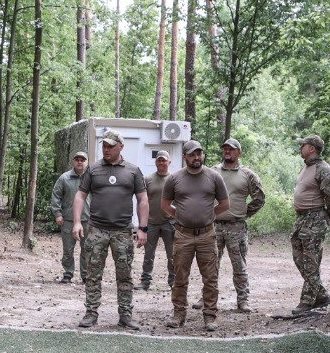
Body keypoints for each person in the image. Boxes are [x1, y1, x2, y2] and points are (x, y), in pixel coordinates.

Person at [73, 129, 148, 329]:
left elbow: (142, 199)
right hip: (97, 230)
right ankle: (91, 313)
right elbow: (80, 196)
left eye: (110, 146)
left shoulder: (133, 171)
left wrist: (143, 228)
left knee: (125, 275)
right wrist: (77, 222)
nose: (106, 149)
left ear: (121, 147)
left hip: (123, 231)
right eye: (104, 146)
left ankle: (125, 315)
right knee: (93, 274)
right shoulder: (93, 169)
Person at [164, 140, 229, 331]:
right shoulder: (174, 178)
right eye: (192, 154)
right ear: (184, 156)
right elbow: (165, 205)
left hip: (207, 236)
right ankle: (178, 315)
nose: (196, 157)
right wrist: (181, 217)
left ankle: (210, 316)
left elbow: (225, 204)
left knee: (210, 278)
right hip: (182, 235)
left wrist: (208, 216)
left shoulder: (214, 177)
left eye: (199, 153)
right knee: (180, 277)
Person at [212, 137, 266, 313]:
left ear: (239, 152)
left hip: (237, 227)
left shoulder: (248, 175)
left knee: (239, 266)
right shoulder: (213, 171)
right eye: (225, 148)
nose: (227, 151)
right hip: (214, 226)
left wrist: (244, 212)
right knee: (210, 264)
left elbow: (259, 198)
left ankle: (243, 300)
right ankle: (207, 298)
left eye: (231, 149)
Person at [289, 134, 330, 315]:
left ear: (312, 148)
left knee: (311, 260)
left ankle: (307, 301)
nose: (300, 147)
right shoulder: (306, 167)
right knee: (298, 257)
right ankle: (322, 295)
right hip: (301, 218)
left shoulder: (323, 169)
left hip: (315, 218)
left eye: (303, 145)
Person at [52, 152, 89, 283]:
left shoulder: (91, 178)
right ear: (73, 162)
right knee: (68, 249)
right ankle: (68, 274)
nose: (79, 162)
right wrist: (58, 214)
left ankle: (85, 275)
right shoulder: (64, 178)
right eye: (77, 159)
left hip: (87, 220)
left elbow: (99, 197)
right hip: (68, 220)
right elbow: (56, 195)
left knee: (87, 249)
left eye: (82, 160)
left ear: (87, 162)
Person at [141, 150, 175, 290]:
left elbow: (180, 200)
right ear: (156, 162)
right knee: (148, 254)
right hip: (152, 222)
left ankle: (173, 282)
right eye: (159, 160)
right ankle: (145, 281)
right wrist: (143, 222)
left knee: (172, 254)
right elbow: (143, 201)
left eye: (164, 160)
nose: (161, 163)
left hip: (169, 222)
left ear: (169, 162)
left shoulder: (174, 179)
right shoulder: (148, 179)